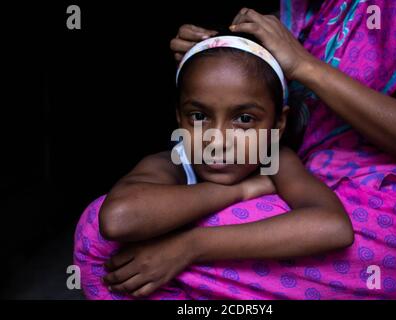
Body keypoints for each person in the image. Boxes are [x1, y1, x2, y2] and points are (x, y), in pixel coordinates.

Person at [166, 1, 396, 299]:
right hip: (309, 191)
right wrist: (210, 60)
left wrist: (305, 66)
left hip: (390, 213)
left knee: (144, 249)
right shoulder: (308, 10)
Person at [74, 34, 354, 300]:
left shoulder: (277, 159)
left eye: (244, 119)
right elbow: (118, 219)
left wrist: (191, 246)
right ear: (179, 118)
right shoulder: (173, 163)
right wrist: (240, 191)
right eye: (198, 116)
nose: (217, 140)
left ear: (278, 124)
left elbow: (333, 227)